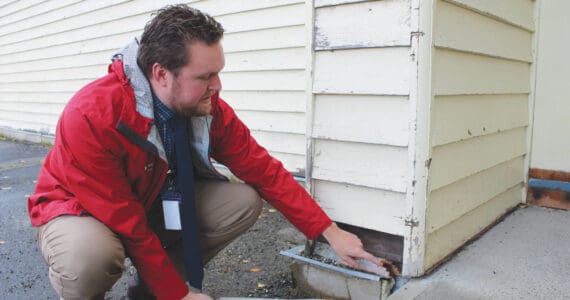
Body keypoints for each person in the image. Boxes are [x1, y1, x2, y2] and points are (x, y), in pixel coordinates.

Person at [28, 4, 382, 300]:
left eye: (219, 73)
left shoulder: (208, 108)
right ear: (161, 74)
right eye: (205, 76)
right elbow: (128, 222)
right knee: (89, 257)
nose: (218, 85)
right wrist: (180, 296)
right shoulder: (92, 115)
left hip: (148, 199)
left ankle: (152, 291)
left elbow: (262, 169)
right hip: (81, 211)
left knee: (242, 201)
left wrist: (330, 233)